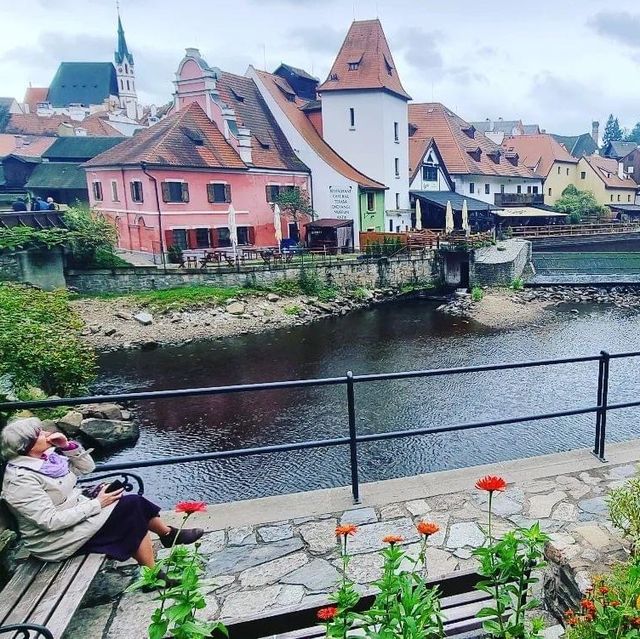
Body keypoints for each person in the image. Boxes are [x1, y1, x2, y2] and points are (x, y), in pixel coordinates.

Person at [0, 417, 204, 567]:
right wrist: (97, 503)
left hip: (75, 519)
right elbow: (50, 522)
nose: (46, 434)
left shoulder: (48, 460)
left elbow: (87, 468)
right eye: (39, 434)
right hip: (55, 541)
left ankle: (164, 543)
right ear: (26, 445)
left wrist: (68, 447)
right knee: (130, 509)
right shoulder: (21, 480)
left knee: (131, 505)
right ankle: (162, 548)